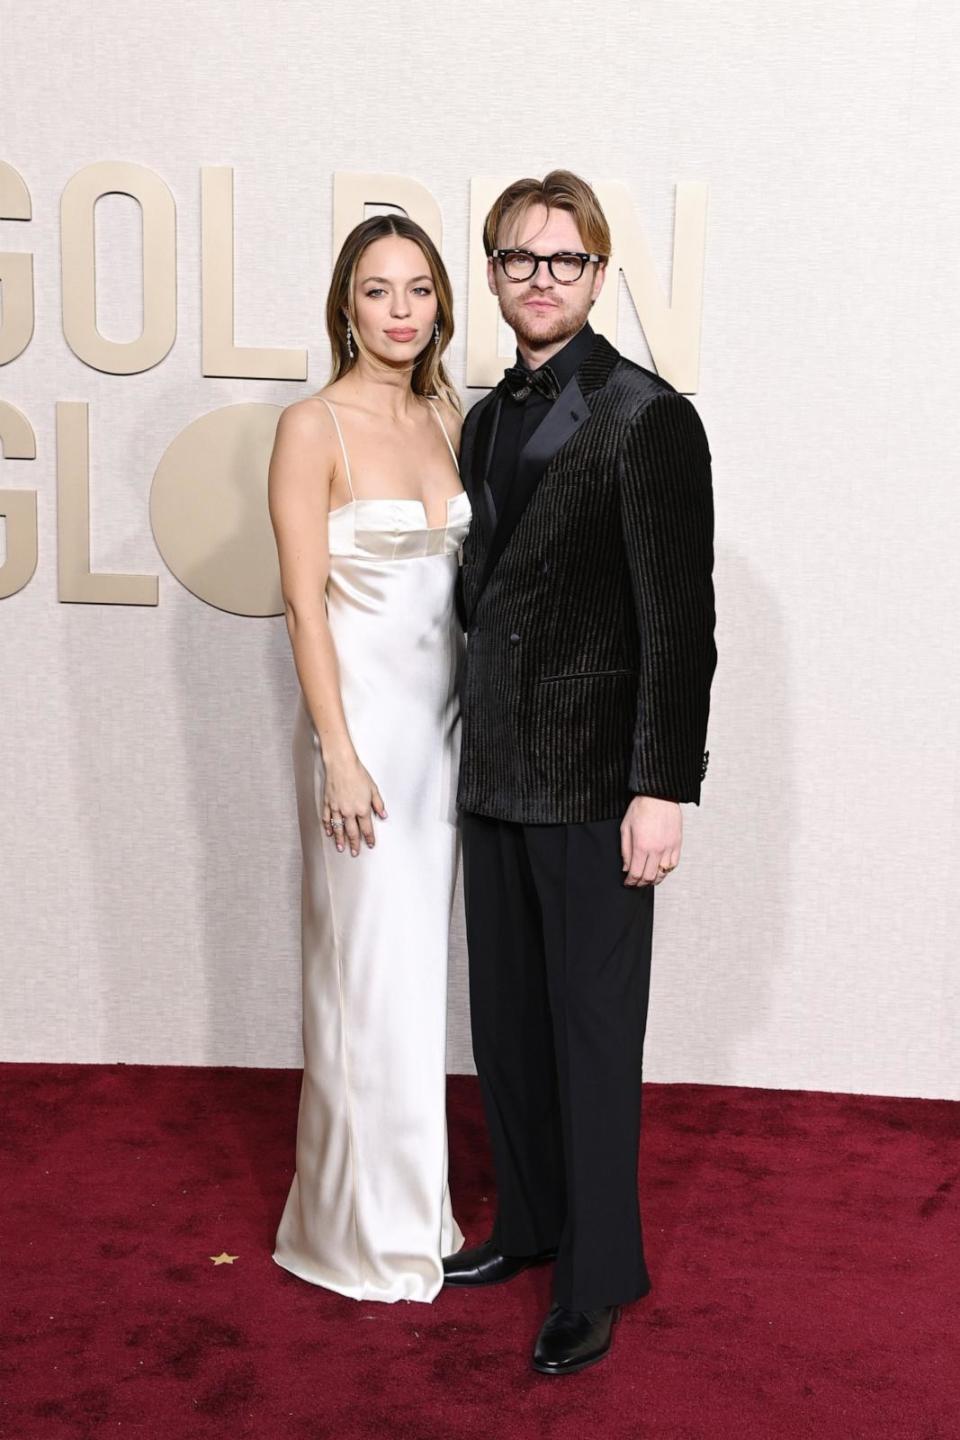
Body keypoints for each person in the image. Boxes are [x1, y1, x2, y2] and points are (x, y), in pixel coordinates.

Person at [443, 171, 717, 1373]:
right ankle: (535, 1224)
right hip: (495, 767)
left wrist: (663, 786)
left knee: (592, 1032)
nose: (539, 278)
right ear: (494, 274)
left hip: (602, 783)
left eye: (563, 260)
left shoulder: (649, 416)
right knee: (505, 1023)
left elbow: (682, 622)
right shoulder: (484, 416)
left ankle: (599, 1276)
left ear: (599, 276)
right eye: (517, 259)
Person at [267, 215, 470, 1303]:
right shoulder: (313, 426)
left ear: (441, 305)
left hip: (443, 741)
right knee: (363, 978)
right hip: (365, 744)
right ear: (346, 304)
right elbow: (303, 603)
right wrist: (336, 753)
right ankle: (353, 1228)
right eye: (379, 290)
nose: (401, 309)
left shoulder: (447, 417)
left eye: (421, 289)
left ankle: (414, 1209)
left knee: (414, 981)